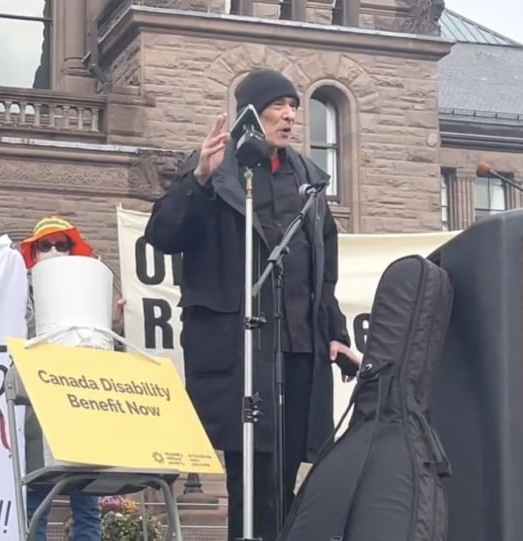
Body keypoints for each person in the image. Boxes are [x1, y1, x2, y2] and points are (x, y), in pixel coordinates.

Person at [144, 69, 362, 541]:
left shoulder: (308, 178)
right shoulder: (215, 169)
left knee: (285, 475)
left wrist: (336, 335)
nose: (289, 116)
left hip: (297, 348)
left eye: (293, 107)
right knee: (253, 474)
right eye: (278, 106)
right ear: (250, 112)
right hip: (239, 349)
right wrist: (199, 177)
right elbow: (162, 234)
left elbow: (321, 275)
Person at [18, 215, 125, 541]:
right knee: (38, 499)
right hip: (38, 412)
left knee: (87, 504)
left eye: (60, 244)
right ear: (34, 252)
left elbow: (105, 361)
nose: (53, 250)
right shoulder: (20, 295)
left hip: (83, 410)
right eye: (45, 245)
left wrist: (114, 328)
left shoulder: (86, 296)